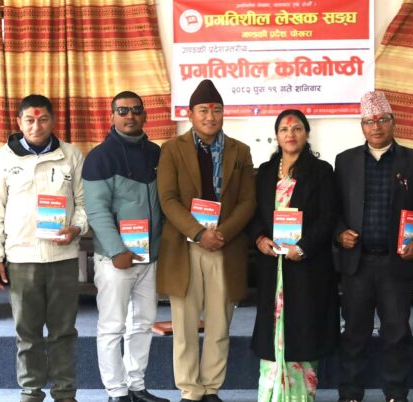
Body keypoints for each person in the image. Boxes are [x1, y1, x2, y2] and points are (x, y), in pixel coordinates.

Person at [334, 91, 413, 402]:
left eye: (382, 120)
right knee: (354, 333)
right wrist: (340, 233)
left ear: (394, 122)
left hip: (397, 263)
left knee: (396, 332)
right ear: (362, 126)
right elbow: (332, 208)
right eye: (369, 121)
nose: (376, 126)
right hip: (358, 263)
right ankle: (351, 392)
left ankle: (395, 392)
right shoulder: (345, 161)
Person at [0, 94, 87, 402]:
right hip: (21, 259)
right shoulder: (3, 160)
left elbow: (84, 204)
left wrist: (77, 227)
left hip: (63, 258)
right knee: (27, 333)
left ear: (53, 120)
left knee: (63, 331)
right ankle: (31, 392)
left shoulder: (71, 155)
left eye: (42, 119)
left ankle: (65, 393)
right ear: (19, 122)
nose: (36, 126)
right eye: (29, 120)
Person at [156, 79, 256, 402]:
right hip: (185, 247)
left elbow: (248, 201)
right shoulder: (172, 149)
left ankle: (211, 387)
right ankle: (190, 389)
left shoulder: (240, 151)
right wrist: (199, 232)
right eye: (203, 110)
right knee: (184, 325)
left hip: (225, 247)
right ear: (190, 114)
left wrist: (222, 233)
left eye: (216, 110)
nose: (210, 116)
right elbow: (168, 199)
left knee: (219, 324)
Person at [83, 91, 169, 402]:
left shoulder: (156, 153)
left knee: (143, 324)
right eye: (122, 111)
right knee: (112, 326)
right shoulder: (100, 157)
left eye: (135, 110)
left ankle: (136, 386)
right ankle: (116, 392)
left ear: (145, 115)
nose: (129, 116)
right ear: (112, 116)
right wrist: (117, 250)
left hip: (149, 257)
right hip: (115, 260)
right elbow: (96, 211)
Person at [249, 109, 339, 402]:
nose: (291, 134)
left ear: (307, 134)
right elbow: (253, 213)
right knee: (272, 332)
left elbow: (328, 217)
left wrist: (302, 247)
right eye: (284, 129)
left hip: (306, 267)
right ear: (277, 136)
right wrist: (259, 238)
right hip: (272, 267)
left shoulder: (321, 171)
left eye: (297, 128)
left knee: (304, 332)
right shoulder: (265, 172)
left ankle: (300, 397)